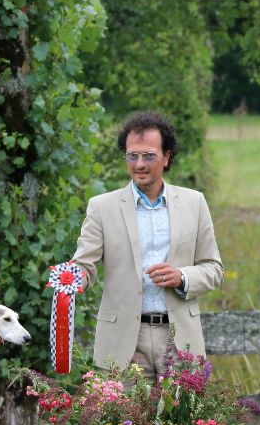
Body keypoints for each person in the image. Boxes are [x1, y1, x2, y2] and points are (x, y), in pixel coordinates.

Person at [72, 110, 224, 380]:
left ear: (167, 157)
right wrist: (73, 280)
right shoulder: (101, 207)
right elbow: (84, 266)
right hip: (123, 342)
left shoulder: (194, 202)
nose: (139, 164)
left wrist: (182, 277)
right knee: (122, 423)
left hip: (180, 341)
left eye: (149, 156)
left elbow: (213, 269)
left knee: (181, 423)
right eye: (132, 155)